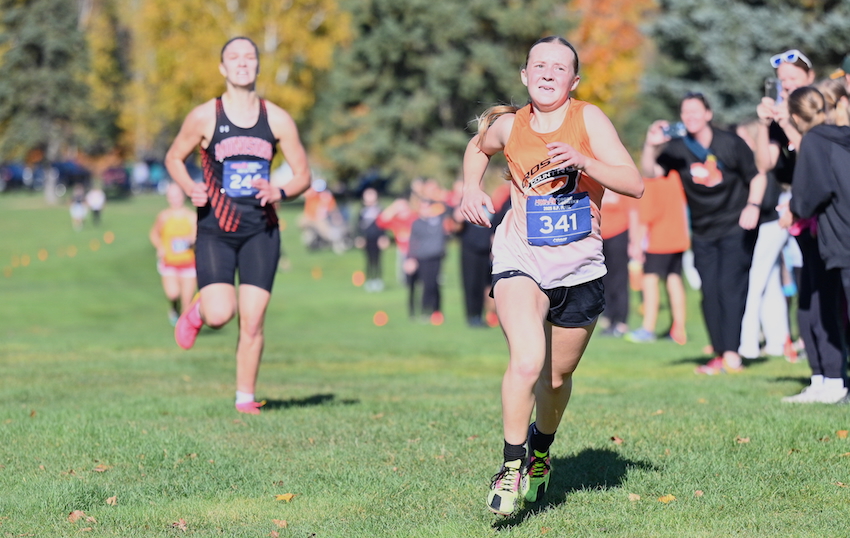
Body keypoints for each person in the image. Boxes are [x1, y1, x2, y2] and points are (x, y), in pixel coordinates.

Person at [460, 36, 643, 515]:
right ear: (524, 75)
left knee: (556, 379)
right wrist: (469, 188)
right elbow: (478, 147)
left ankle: (541, 451)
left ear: (573, 80)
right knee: (526, 361)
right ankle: (510, 466)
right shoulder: (510, 126)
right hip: (521, 258)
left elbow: (634, 182)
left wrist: (586, 162)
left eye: (558, 68)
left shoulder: (589, 120)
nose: (546, 73)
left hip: (580, 268)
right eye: (538, 65)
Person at [166, 36, 312, 415]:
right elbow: (173, 158)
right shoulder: (205, 116)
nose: (243, 62)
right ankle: (197, 312)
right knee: (220, 314)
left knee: (253, 320)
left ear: (258, 66)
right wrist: (190, 187)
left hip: (261, 231)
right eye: (234, 57)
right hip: (215, 229)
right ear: (222, 67)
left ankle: (244, 398)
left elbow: (303, 176)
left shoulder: (277, 118)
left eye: (250, 56)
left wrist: (280, 190)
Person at [641, 93, 766, 375]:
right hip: (703, 230)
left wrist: (753, 205)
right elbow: (650, 172)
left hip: (736, 224)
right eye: (685, 112)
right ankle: (719, 353)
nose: (690, 116)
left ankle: (732, 354)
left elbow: (757, 175)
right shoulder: (677, 147)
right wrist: (650, 145)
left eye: (696, 111)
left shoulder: (730, 143)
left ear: (708, 114)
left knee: (730, 288)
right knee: (709, 291)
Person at [779, 86, 850, 403]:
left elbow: (812, 194)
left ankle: (835, 382)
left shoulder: (814, 141)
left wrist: (794, 206)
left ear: (796, 116)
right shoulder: (842, 134)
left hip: (841, 237)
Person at [734, 119, 793, 360]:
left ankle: (747, 345)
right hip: (773, 226)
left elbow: (765, 201)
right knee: (770, 285)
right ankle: (778, 341)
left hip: (770, 225)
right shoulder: (756, 162)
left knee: (754, 283)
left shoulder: (761, 164)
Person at [625, 170, 690, 344]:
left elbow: (646, 216)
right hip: (678, 237)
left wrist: (636, 244)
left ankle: (648, 328)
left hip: (658, 241)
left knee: (649, 281)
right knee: (674, 279)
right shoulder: (676, 177)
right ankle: (679, 328)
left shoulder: (651, 182)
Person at [149, 182, 197, 325]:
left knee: (187, 301)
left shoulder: (191, 216)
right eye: (171, 196)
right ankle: (174, 309)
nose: (174, 199)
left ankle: (183, 330)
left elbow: (196, 237)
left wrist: (190, 241)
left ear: (182, 196)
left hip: (188, 263)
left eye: (177, 196)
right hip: (169, 262)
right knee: (173, 293)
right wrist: (160, 246)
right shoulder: (164, 216)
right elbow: (154, 234)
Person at [598, 189, 638, 337]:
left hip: (619, 234)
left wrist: (634, 242)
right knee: (603, 280)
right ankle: (608, 319)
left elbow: (633, 212)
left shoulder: (619, 183)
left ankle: (621, 322)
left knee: (619, 280)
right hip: (599, 236)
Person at [406, 194, 449, 323]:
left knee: (433, 284)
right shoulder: (417, 224)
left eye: (427, 207)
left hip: (436, 257)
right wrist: (410, 258)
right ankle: (425, 310)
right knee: (425, 285)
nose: (425, 210)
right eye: (422, 207)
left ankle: (436, 310)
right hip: (422, 258)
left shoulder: (439, 220)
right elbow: (413, 242)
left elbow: (448, 207)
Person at [354, 187, 387, 291]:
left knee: (378, 260)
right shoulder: (362, 211)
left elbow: (383, 225)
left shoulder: (379, 210)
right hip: (367, 239)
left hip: (377, 238)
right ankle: (369, 280)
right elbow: (358, 226)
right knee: (368, 260)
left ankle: (378, 280)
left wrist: (383, 237)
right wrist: (359, 237)